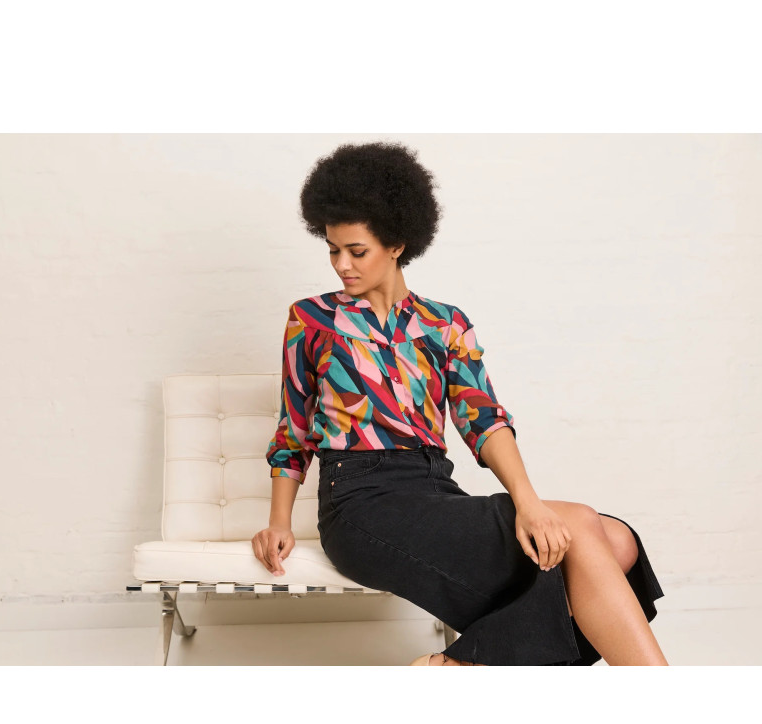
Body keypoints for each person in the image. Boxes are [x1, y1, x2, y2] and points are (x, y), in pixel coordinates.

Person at [255, 140, 667, 666]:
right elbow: (293, 431)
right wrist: (279, 521)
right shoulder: (311, 319)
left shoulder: (445, 324)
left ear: (397, 242)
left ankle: (464, 662)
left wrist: (528, 503)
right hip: (359, 501)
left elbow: (484, 420)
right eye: (333, 250)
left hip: (435, 490)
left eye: (356, 251)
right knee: (586, 523)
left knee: (618, 541)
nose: (342, 265)